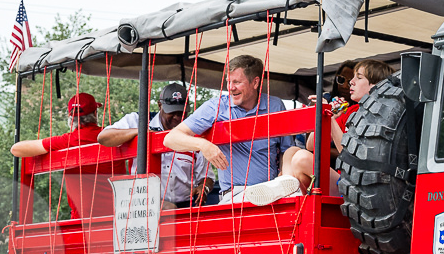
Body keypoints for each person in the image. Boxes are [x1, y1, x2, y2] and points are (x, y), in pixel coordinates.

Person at [164, 55, 302, 206]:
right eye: (228, 82)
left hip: (272, 193)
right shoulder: (215, 106)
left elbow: (286, 150)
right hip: (235, 195)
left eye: (236, 82)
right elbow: (170, 139)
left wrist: (283, 174)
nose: (230, 87)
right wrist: (204, 145)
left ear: (255, 82)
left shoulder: (275, 106)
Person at [280, 58, 396, 193]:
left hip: (358, 188)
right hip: (343, 181)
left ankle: (290, 191)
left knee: (302, 158)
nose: (351, 83)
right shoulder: (352, 111)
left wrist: (330, 118)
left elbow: (350, 154)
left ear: (376, 85)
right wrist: (324, 115)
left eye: (358, 78)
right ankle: (286, 189)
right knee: (291, 152)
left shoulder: (381, 117)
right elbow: (311, 145)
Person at [97, 82, 217, 206]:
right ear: (160, 105)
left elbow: (206, 176)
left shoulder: (194, 132)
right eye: (172, 112)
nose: (177, 117)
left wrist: (204, 187)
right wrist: (141, 131)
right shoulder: (138, 120)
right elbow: (103, 137)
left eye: (181, 113)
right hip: (144, 205)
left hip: (185, 205)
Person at [11, 93, 102, 157]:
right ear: (95, 113)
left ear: (70, 117)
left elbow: (15, 149)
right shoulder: (109, 135)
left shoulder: (65, 141)